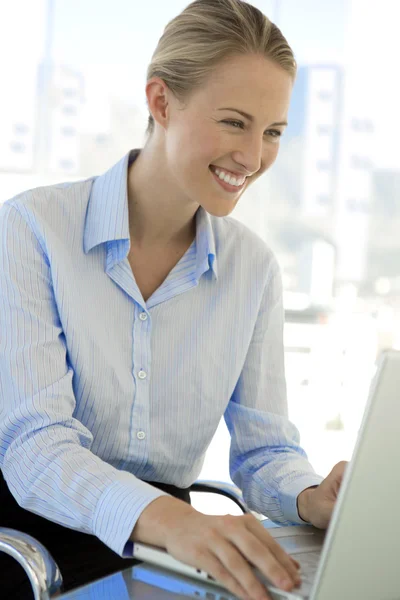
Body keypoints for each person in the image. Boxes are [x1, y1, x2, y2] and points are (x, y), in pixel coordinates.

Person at [0, 1, 346, 599]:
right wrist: (175, 524)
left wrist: (313, 498)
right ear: (161, 103)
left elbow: (265, 452)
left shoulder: (253, 269)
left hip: (177, 552)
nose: (254, 156)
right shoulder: (33, 228)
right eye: (235, 122)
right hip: (37, 547)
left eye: (272, 132)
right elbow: (35, 448)